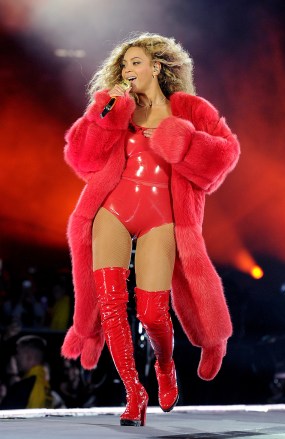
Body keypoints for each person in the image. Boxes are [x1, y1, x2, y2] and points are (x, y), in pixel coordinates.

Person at [61, 32, 240, 426]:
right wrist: (103, 113)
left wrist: (185, 142)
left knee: (152, 314)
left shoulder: (190, 109)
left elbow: (225, 154)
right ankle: (134, 392)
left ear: (157, 67)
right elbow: (81, 157)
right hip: (112, 210)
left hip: (162, 218)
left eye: (136, 62)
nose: (128, 70)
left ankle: (163, 364)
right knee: (110, 306)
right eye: (123, 65)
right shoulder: (115, 108)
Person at [0, 335, 53, 409]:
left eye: (18, 354)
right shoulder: (45, 384)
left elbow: (5, 415)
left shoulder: (26, 385)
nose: (16, 358)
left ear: (29, 357)